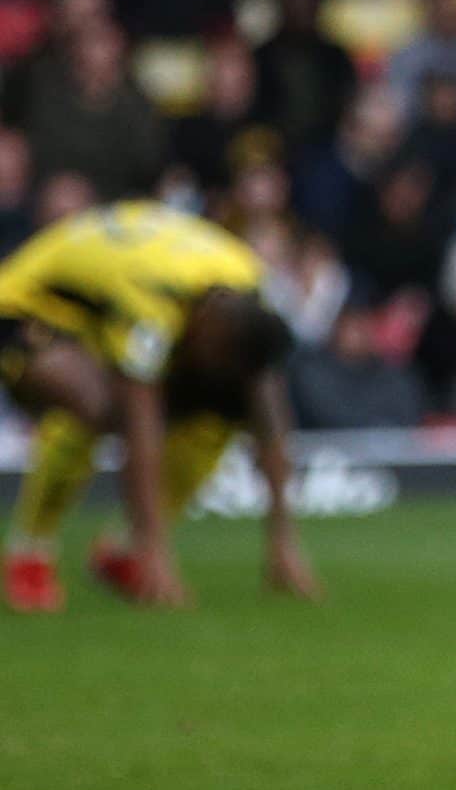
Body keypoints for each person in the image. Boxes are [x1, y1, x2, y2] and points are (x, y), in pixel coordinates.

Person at [1, 201, 320, 613]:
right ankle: (31, 551)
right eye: (220, 358)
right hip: (26, 302)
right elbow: (140, 426)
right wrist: (157, 553)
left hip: (102, 304)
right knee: (100, 406)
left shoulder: (248, 286)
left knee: (216, 416)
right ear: (212, 331)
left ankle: (120, 553)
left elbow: (266, 405)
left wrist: (283, 540)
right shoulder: (153, 298)